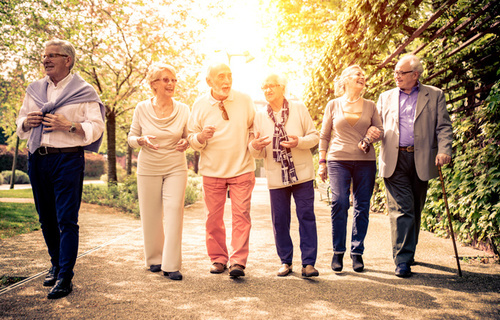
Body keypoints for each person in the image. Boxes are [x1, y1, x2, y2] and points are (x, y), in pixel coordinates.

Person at [15, 39, 105, 299]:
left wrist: (70, 126)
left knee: (66, 219)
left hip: (67, 159)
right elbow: (20, 121)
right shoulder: (34, 90)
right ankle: (55, 263)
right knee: (46, 218)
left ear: (68, 60)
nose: (46, 60)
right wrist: (26, 122)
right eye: (44, 56)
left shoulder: (85, 91)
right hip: (38, 159)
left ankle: (65, 276)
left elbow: (96, 127)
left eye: (52, 55)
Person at [377, 54, 453, 278]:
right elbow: (378, 126)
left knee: (415, 209)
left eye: (401, 72)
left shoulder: (435, 94)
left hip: (422, 159)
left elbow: (444, 127)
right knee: (403, 209)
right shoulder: (386, 97)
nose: (396, 76)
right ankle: (401, 259)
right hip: (394, 158)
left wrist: (444, 149)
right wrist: (370, 135)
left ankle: (408, 253)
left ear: (415, 75)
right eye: (395, 72)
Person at [187, 63, 256, 278]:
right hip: (212, 170)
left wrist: (255, 143)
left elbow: (254, 127)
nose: (226, 81)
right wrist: (201, 137)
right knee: (213, 219)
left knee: (241, 216)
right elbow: (191, 137)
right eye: (221, 77)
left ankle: (238, 262)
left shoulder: (245, 100)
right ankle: (218, 258)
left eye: (229, 75)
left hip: (242, 168)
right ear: (209, 82)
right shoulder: (199, 105)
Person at [250, 74, 320, 278]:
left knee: (306, 216)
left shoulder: (299, 108)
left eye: (271, 86)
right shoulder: (260, 116)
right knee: (279, 220)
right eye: (264, 87)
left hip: (302, 173)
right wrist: (255, 147)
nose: (267, 90)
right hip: (276, 175)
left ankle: (308, 263)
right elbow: (257, 150)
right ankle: (285, 261)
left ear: (282, 88)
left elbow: (314, 136)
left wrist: (299, 141)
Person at [127, 63, 189, 281]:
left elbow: (188, 137)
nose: (171, 84)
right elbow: (131, 138)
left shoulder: (183, 109)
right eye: (165, 80)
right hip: (148, 167)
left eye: (173, 80)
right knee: (151, 214)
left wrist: (185, 142)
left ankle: (171, 264)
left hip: (175, 166)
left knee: (174, 212)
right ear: (154, 84)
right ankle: (154, 259)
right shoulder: (141, 108)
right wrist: (141, 140)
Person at [318, 65, 383, 273]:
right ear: (345, 80)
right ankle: (338, 252)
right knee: (339, 202)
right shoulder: (333, 105)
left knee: (362, 206)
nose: (362, 77)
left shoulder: (371, 105)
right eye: (358, 75)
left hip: (365, 161)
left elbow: (380, 130)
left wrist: (374, 132)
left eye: (363, 76)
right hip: (338, 160)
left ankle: (357, 253)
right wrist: (322, 162)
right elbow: (324, 135)